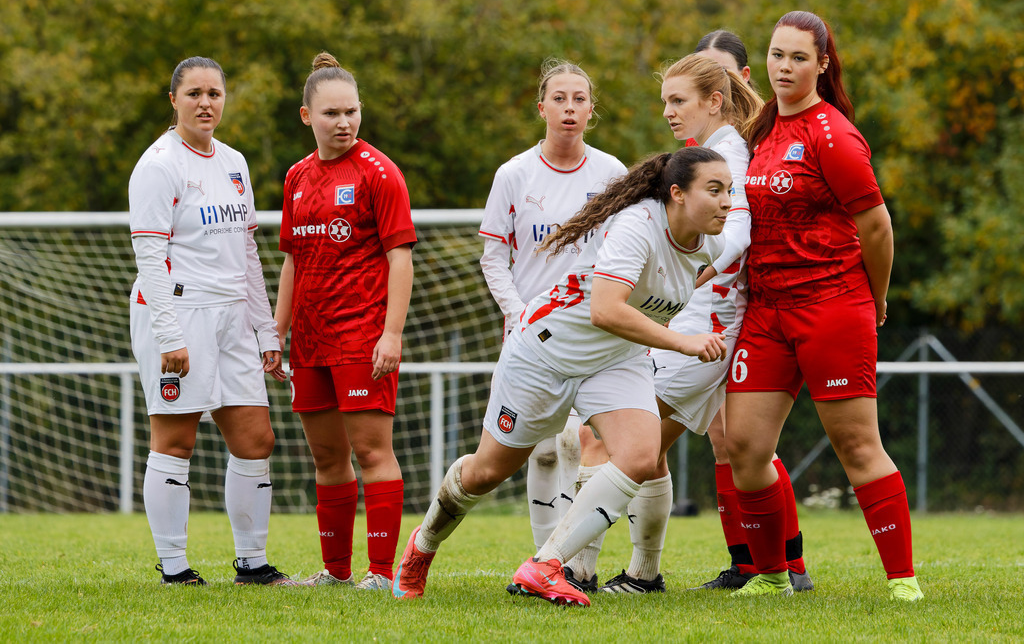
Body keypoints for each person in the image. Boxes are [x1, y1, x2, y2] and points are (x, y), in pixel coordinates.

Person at [394, 146, 734, 607]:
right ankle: (422, 545)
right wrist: (683, 342)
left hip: (616, 361)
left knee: (639, 454)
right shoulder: (638, 225)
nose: (727, 201)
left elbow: (675, 284)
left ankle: (545, 565)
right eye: (714, 190)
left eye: (729, 190)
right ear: (676, 194)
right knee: (487, 472)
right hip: (546, 353)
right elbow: (604, 310)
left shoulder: (712, 241)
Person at [599, 33, 812, 595]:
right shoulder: (716, 149)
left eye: (678, 98)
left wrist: (703, 260)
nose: (668, 111)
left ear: (720, 92)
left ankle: (570, 568)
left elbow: (736, 229)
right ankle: (767, 566)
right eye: (666, 100)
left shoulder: (729, 154)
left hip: (709, 325)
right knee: (728, 445)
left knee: (627, 445)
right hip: (702, 322)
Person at [725, 11, 923, 601]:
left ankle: (902, 580)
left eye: (798, 58)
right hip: (766, 311)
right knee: (744, 446)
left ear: (823, 64)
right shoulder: (762, 129)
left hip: (832, 304)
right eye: (776, 55)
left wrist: (876, 296)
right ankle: (771, 574)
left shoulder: (831, 134)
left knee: (857, 446)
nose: (783, 67)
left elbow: (877, 226)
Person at [128, 56, 295, 586]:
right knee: (175, 441)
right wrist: (169, 333)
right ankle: (174, 567)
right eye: (194, 93)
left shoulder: (235, 162)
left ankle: (252, 563)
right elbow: (150, 258)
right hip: (179, 311)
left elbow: (247, 252)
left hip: (232, 318)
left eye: (214, 94)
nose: (205, 103)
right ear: (172, 99)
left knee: (256, 439)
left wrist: (265, 329)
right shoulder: (158, 165)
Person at [477, 58, 627, 591]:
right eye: (559, 98)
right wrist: (519, 315)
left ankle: (579, 567)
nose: (569, 108)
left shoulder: (612, 173)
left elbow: (625, 253)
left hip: (595, 334)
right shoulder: (514, 174)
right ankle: (544, 562)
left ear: (592, 110)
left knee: (589, 446)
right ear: (541, 108)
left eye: (580, 99)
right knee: (542, 447)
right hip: (530, 336)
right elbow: (493, 256)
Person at [274, 52, 416, 591]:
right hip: (310, 341)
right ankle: (335, 573)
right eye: (332, 113)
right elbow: (291, 258)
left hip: (362, 336)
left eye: (352, 111)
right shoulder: (295, 177)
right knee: (327, 457)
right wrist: (277, 332)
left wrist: (392, 333)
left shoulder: (379, 173)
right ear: (307, 116)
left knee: (372, 452)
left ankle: (382, 574)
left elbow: (400, 256)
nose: (345, 122)